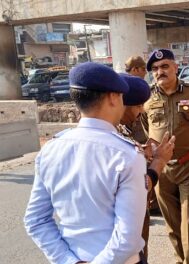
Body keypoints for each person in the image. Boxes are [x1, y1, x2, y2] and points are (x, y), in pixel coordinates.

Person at [24, 62, 149, 263]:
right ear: (113, 97)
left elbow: (36, 221)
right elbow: (127, 238)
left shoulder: (50, 149)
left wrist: (67, 260)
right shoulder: (127, 155)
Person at [140, 49, 189, 264]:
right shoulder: (147, 97)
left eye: (164, 66)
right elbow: (146, 128)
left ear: (175, 68)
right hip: (161, 169)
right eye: (155, 69)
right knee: (172, 221)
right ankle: (181, 259)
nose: (160, 72)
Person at [118, 73, 175, 262]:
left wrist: (142, 152)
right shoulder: (111, 141)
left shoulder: (121, 130)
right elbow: (137, 188)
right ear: (119, 103)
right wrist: (159, 160)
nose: (141, 111)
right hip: (125, 229)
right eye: (137, 106)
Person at [125, 55, 162, 215]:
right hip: (133, 141)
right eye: (143, 70)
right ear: (135, 69)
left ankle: (149, 205)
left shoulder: (137, 87)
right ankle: (147, 205)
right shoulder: (127, 89)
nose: (145, 74)